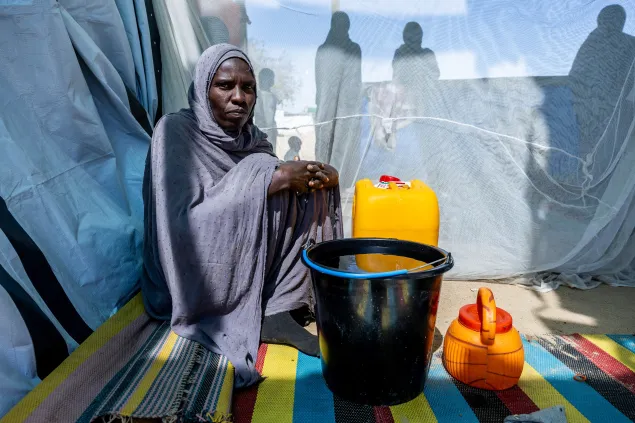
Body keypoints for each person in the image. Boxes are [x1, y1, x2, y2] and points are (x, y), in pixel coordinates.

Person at [141, 44, 342, 387]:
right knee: (266, 173)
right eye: (225, 86)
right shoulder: (174, 132)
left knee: (295, 182)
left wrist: (320, 177)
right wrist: (269, 179)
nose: (239, 98)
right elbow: (177, 227)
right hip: (188, 274)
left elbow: (280, 197)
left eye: (248, 88)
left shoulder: (251, 139)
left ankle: (280, 305)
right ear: (203, 89)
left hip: (243, 257)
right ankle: (242, 308)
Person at [314, 11, 362, 186]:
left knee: (343, 142)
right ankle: (323, 183)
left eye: (345, 24)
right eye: (339, 24)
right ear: (333, 25)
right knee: (325, 142)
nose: (342, 27)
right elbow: (319, 82)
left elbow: (355, 82)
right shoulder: (324, 50)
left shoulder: (354, 49)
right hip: (326, 108)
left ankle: (340, 183)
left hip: (346, 109)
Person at [392, 22, 439, 91]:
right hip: (413, 94)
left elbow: (435, 74)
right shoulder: (400, 53)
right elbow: (435, 74)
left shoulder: (400, 53)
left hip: (411, 95)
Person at [254, 68, 279, 152]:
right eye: (271, 78)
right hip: (262, 131)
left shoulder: (273, 97)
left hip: (270, 131)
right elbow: (261, 115)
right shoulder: (258, 96)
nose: (272, 81)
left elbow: (271, 116)